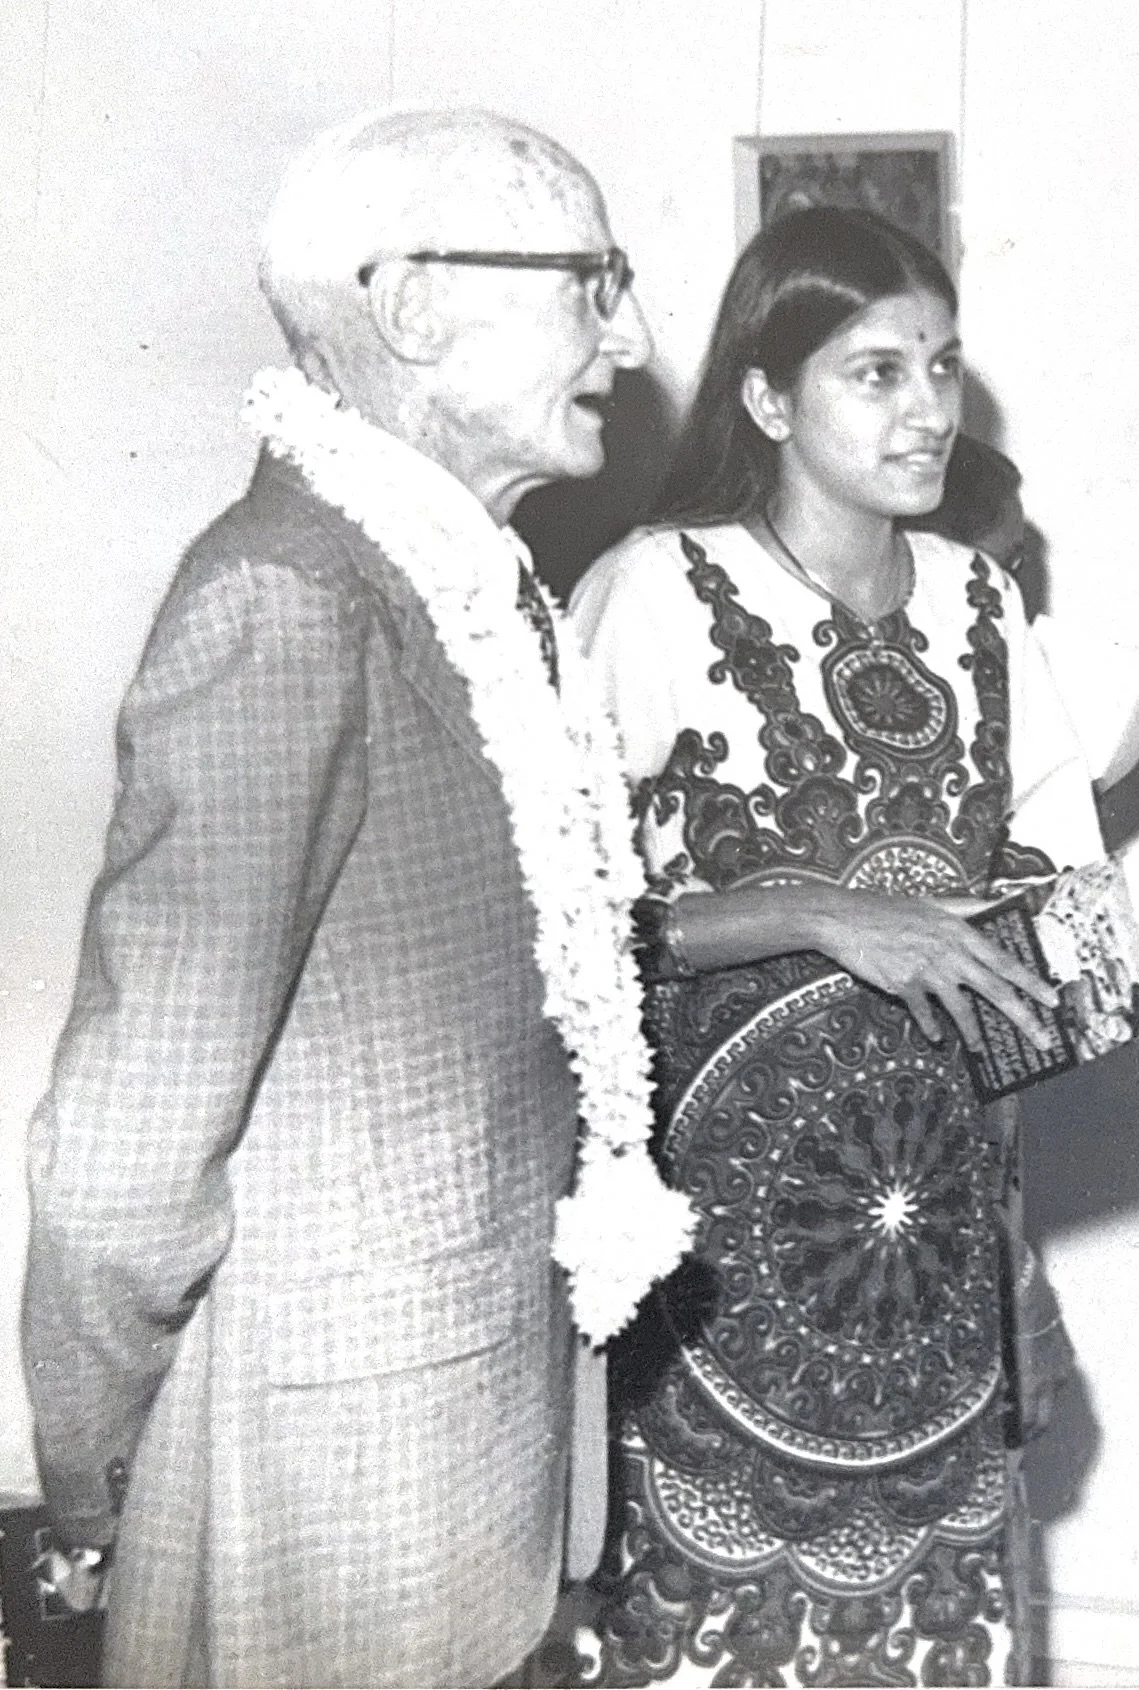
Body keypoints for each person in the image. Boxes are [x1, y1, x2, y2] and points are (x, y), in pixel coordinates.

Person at [21, 106, 682, 1688]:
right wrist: (89, 1466)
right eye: (591, 281)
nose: (632, 334)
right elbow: (122, 1155)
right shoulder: (285, 601)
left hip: (467, 1451)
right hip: (320, 1497)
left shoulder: (463, 584)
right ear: (410, 310)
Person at [569, 206, 1108, 1687]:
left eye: (939, 365)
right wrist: (815, 911)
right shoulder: (654, 592)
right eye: (873, 373)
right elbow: (548, 929)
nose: (928, 406)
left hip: (931, 1249)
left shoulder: (983, 602)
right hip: (714, 1278)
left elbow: (1062, 900)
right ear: (766, 396)